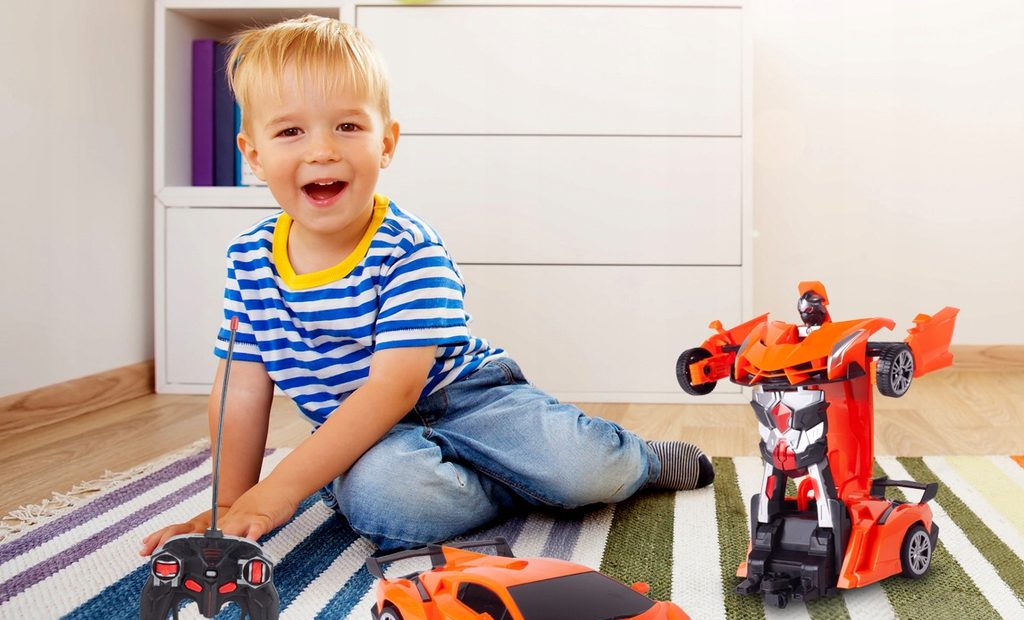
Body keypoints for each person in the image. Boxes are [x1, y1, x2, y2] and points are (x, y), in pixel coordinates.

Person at [140, 16, 712, 557]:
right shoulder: (249, 261)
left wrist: (283, 489)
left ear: (386, 143)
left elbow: (393, 390)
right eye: (290, 131)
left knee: (585, 472)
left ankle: (637, 461)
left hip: (467, 399)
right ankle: (510, 484)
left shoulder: (408, 247)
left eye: (347, 126)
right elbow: (240, 388)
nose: (322, 150)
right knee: (387, 502)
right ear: (254, 156)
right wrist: (230, 502)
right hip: (370, 438)